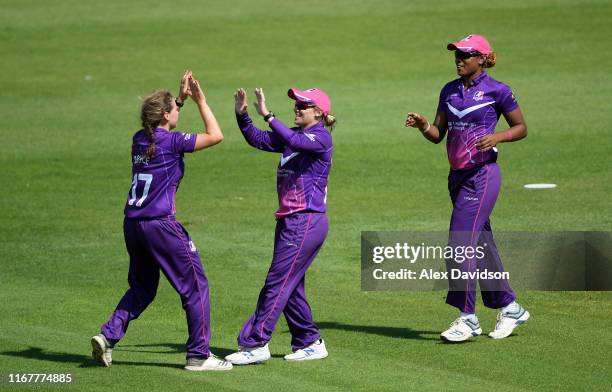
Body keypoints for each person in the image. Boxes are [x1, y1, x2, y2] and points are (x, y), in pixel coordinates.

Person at [91, 71, 232, 371]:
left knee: (143, 288)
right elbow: (216, 135)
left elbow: (161, 126)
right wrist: (201, 101)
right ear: (166, 115)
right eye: (176, 109)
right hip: (161, 226)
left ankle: (107, 336)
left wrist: (179, 100)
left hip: (133, 226)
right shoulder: (173, 142)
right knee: (195, 286)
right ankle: (198, 355)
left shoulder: (139, 139)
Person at [405, 34, 529, 342]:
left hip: (483, 175)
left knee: (460, 243)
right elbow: (437, 134)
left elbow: (521, 127)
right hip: (457, 178)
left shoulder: (497, 90)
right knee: (481, 244)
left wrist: (498, 137)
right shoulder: (449, 90)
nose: (459, 59)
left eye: (466, 54)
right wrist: (423, 126)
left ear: (482, 59)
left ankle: (468, 318)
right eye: (457, 54)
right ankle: (509, 306)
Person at [225, 87, 335, 364]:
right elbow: (258, 139)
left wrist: (269, 115)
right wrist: (243, 115)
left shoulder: (320, 138)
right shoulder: (294, 137)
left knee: (277, 283)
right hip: (290, 221)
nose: (297, 108)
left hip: (306, 220)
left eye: (303, 105)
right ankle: (310, 341)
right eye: (296, 104)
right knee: (291, 285)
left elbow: (292, 140)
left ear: (318, 113)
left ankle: (256, 343)